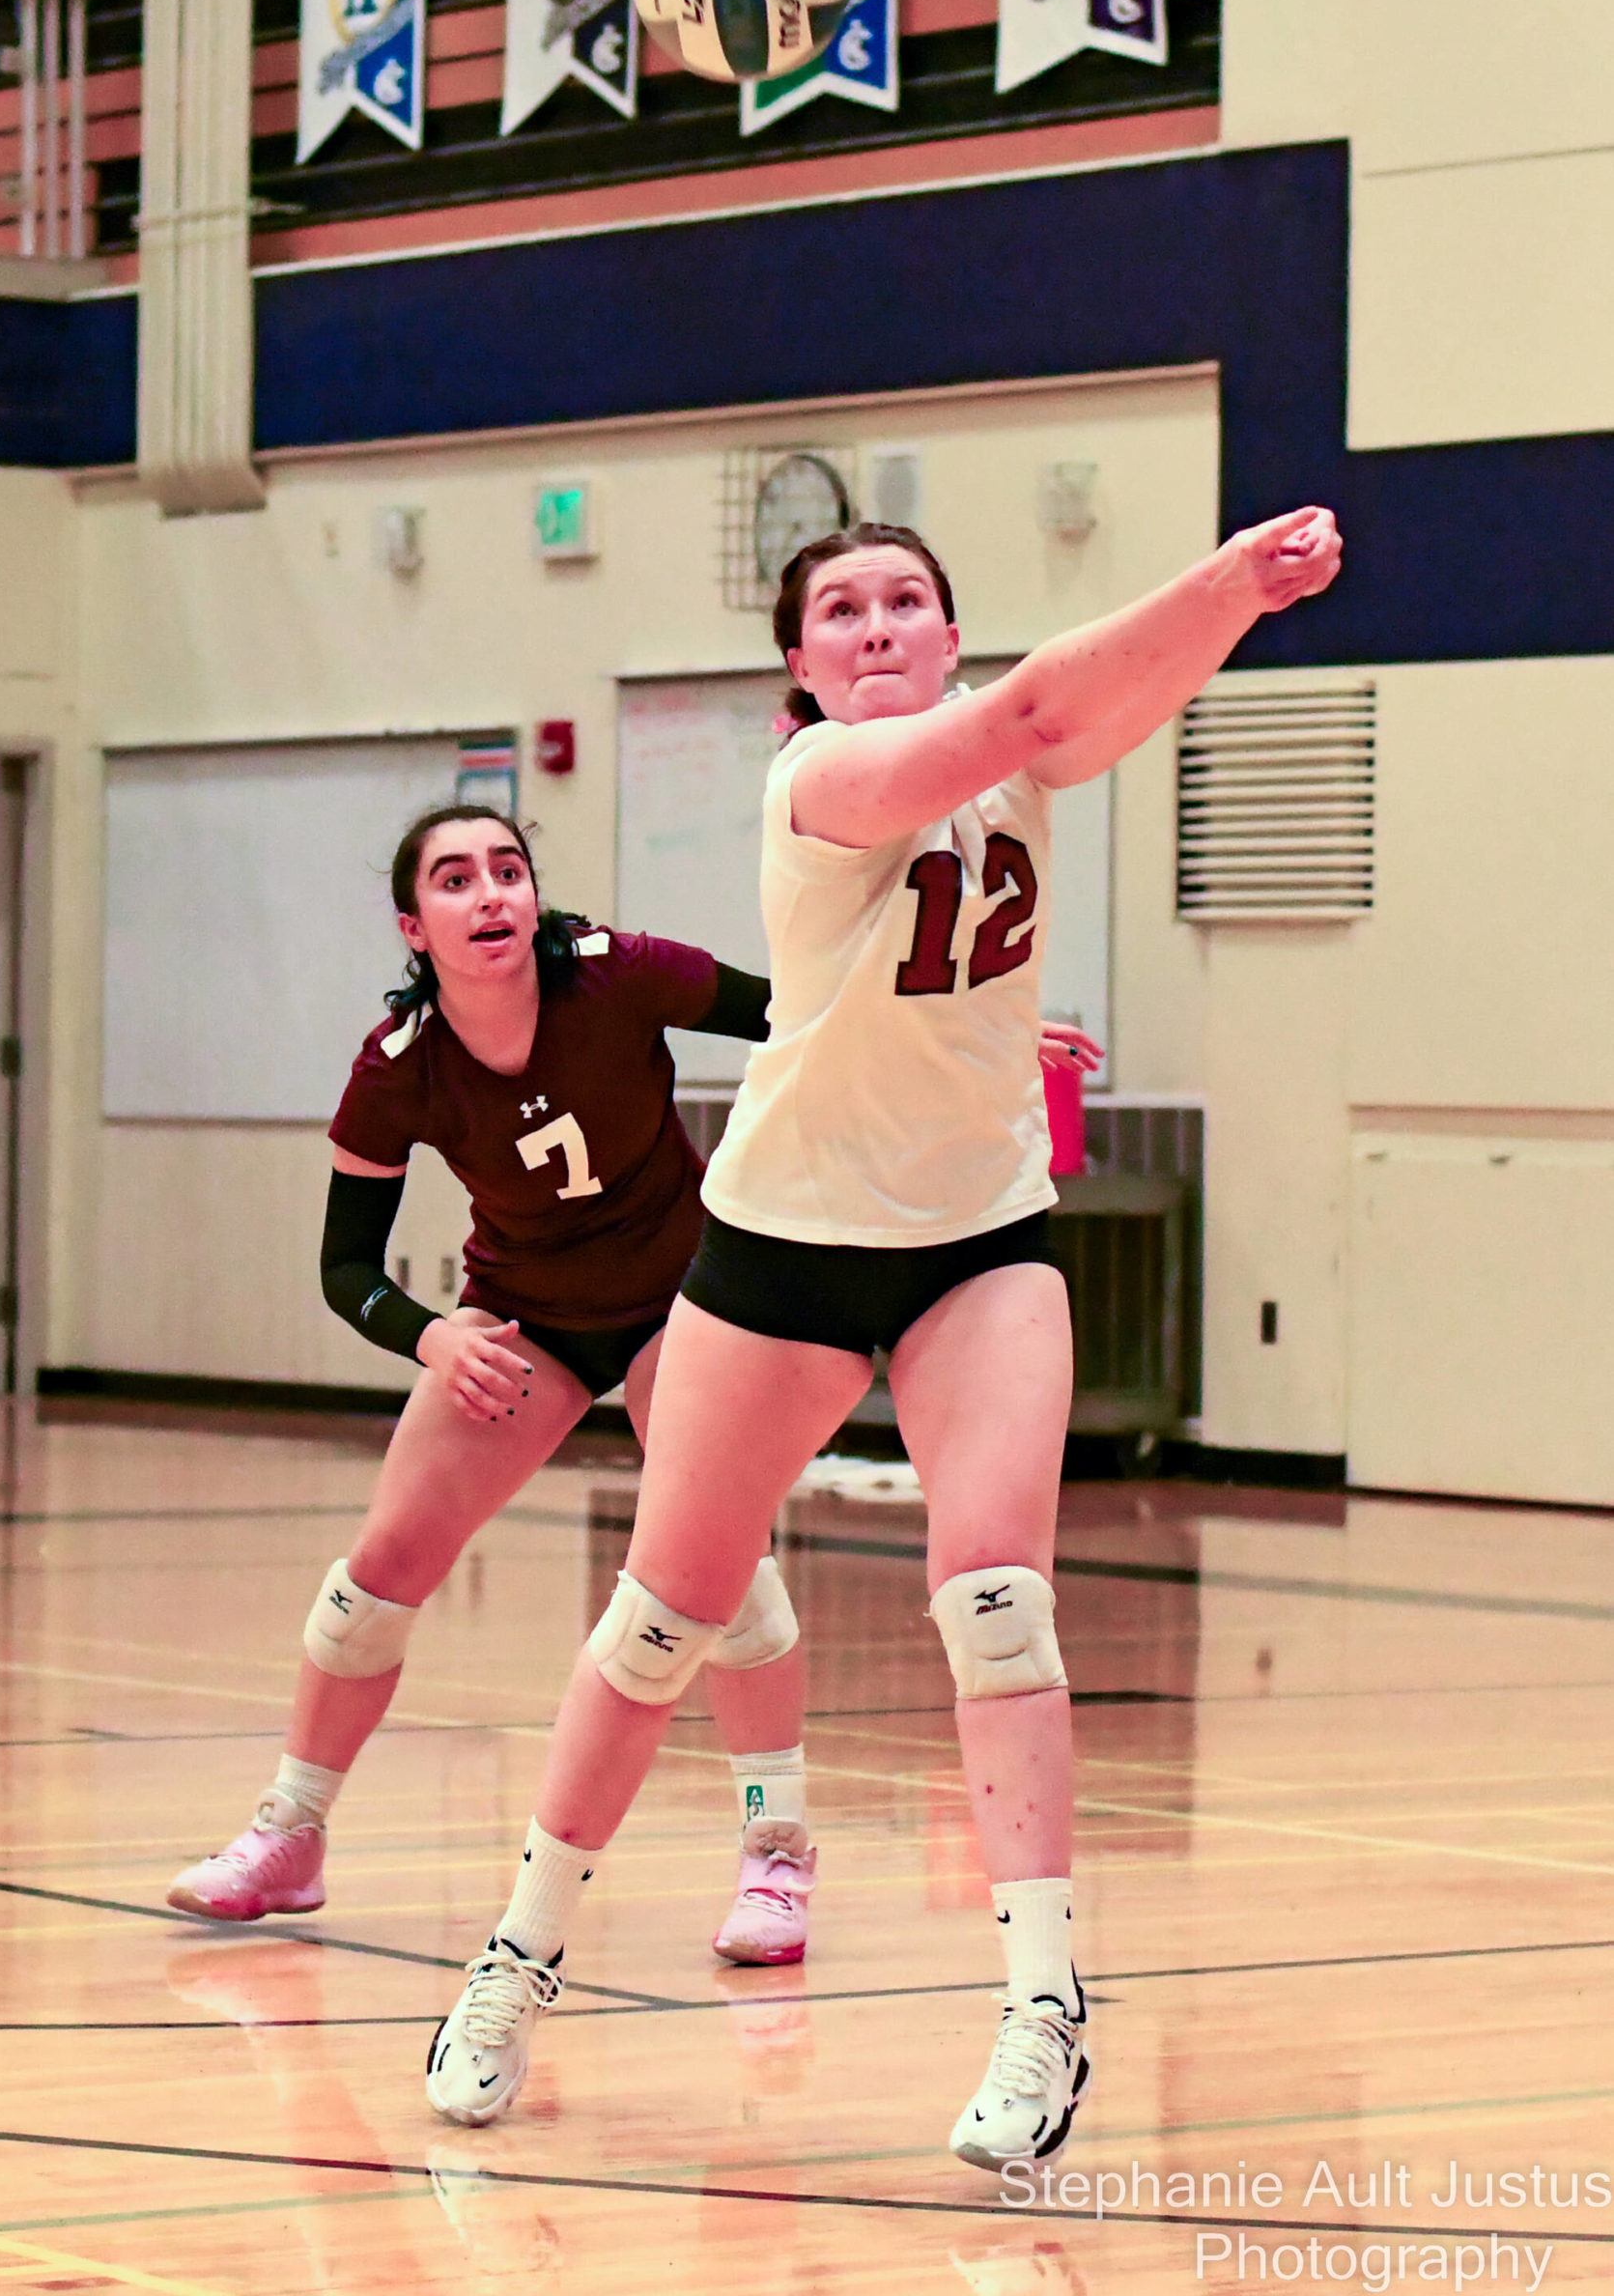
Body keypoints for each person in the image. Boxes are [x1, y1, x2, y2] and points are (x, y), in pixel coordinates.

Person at [420, 506, 1342, 2161]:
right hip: (781, 1249)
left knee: (996, 1607)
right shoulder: (817, 780)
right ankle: (514, 1959)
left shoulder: (1021, 768)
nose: (870, 625)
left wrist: (1233, 617)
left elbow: (1111, 702)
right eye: (836, 609)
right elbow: (1053, 709)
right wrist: (1225, 577)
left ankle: (1043, 2014)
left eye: (902, 602)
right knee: (659, 1627)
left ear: (944, 630)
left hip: (975, 1242)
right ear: (797, 665)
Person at [166, 804, 818, 1966]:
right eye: (457, 880)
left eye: (508, 871)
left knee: (716, 1564)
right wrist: (431, 1338)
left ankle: (777, 1853)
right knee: (379, 1574)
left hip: (685, 1300)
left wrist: (971, 1047)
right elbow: (344, 1269)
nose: (491, 896)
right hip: (530, 1319)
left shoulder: (620, 976)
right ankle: (290, 1834)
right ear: (416, 925)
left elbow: (806, 1007)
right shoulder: (399, 1066)